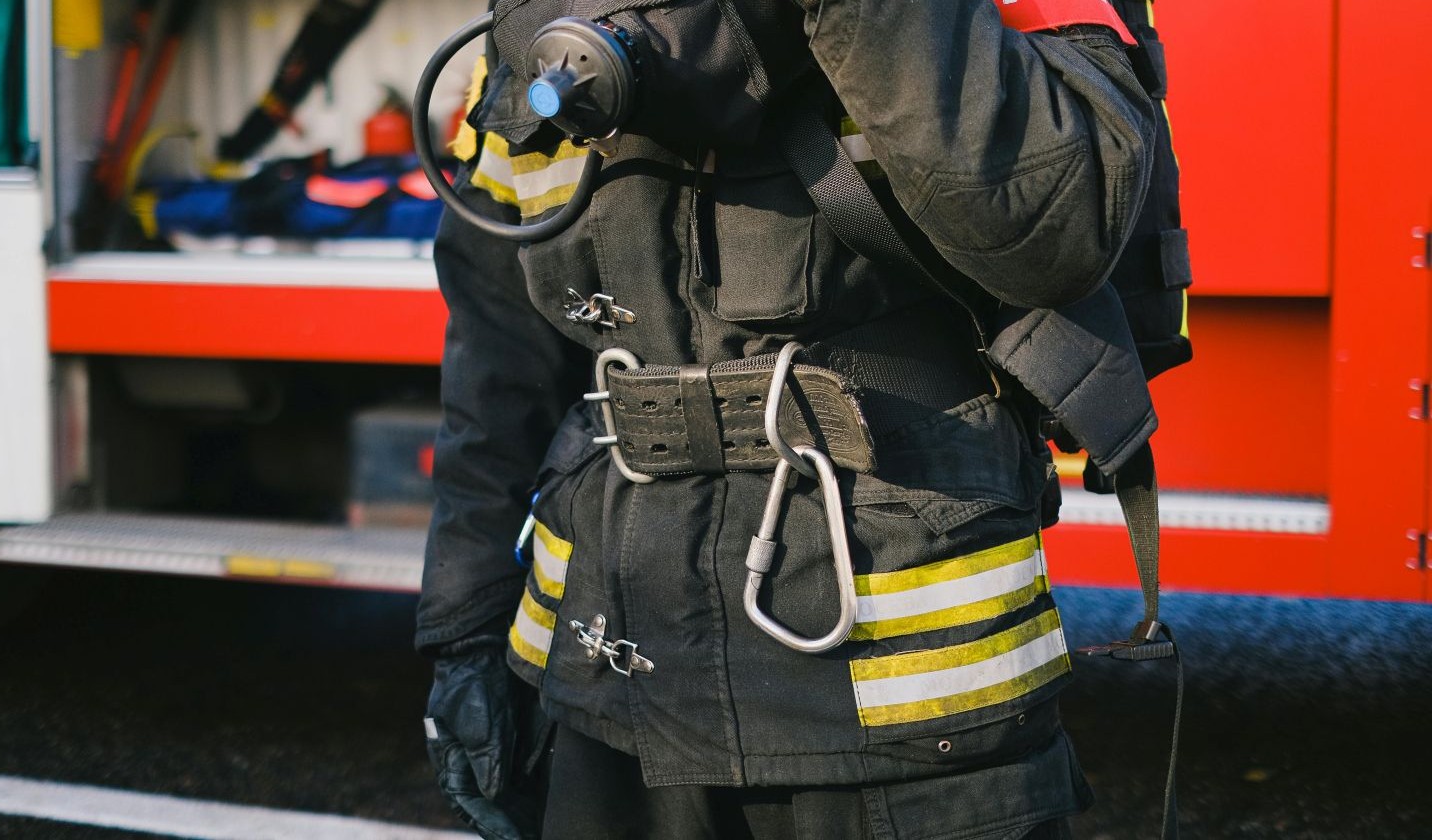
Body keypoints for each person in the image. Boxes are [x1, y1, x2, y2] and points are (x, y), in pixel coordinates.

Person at [419, 1, 1157, 837]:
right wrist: (467, 627)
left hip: (906, 705)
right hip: (610, 695)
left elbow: (1058, 232)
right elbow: (497, 357)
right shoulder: (535, 24)